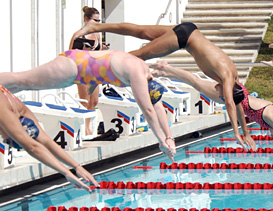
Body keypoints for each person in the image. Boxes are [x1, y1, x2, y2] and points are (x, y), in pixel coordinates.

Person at [71, 21, 256, 150]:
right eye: (222, 96)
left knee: (141, 31)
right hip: (185, 39)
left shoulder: (233, 76)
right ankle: (96, 68)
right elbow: (232, 104)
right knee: (139, 55)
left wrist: (246, 130)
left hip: (190, 30)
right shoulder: (225, 77)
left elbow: (237, 103)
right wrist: (237, 133)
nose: (217, 93)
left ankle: (95, 27)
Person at [0, 49, 176, 162]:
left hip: (78, 69)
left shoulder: (146, 72)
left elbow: (157, 107)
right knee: (23, 80)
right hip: (73, 66)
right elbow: (148, 110)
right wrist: (160, 142)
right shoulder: (137, 73)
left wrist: (169, 138)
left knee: (21, 85)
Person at [151, 61, 273, 163]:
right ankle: (166, 67)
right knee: (196, 82)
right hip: (233, 96)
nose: (270, 134)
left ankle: (166, 72)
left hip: (240, 93)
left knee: (197, 83)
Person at [0, 85, 98, 191]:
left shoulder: (14, 108)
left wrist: (76, 167)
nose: (3, 139)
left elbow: (45, 141)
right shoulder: (11, 107)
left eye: (8, 140)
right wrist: (67, 171)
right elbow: (32, 146)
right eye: (8, 140)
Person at [69, 6, 109, 136]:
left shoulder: (97, 34)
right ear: (86, 19)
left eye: (98, 21)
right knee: (85, 101)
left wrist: (102, 48)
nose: (97, 23)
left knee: (94, 101)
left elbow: (97, 52)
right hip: (82, 71)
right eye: (95, 20)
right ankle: (84, 129)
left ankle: (89, 126)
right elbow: (70, 53)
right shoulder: (79, 34)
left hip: (95, 70)